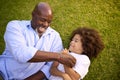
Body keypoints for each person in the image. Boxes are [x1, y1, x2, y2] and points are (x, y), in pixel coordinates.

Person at [0, 2, 76, 80]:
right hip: (3, 73)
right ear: (33, 15)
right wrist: (58, 56)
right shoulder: (15, 26)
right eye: (43, 20)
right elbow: (21, 53)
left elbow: (50, 67)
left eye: (49, 22)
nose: (46, 24)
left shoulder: (55, 37)